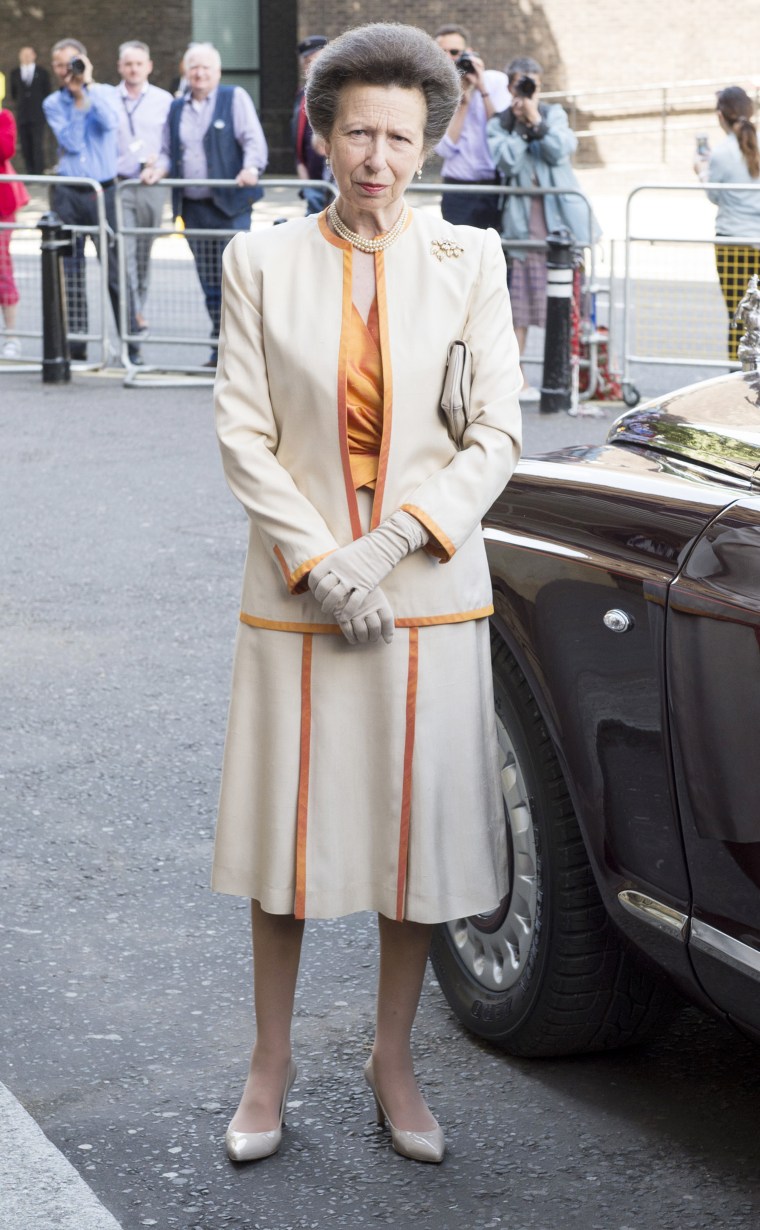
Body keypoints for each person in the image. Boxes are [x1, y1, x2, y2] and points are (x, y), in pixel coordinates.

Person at [212, 22, 522, 1166]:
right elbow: (243, 436)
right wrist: (321, 562)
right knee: (283, 850)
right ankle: (269, 1064)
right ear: (323, 133)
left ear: (429, 143)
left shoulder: (470, 262)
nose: (376, 156)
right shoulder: (260, 261)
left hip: (427, 596)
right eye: (357, 131)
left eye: (399, 136)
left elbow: (495, 432)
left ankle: (393, 1061)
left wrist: (387, 544)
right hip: (297, 599)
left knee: (414, 846)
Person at [142, 42, 268, 368]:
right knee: (209, 280)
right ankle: (219, 347)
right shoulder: (176, 107)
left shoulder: (233, 97)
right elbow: (169, 152)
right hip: (194, 208)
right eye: (194, 67)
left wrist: (251, 168)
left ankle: (244, 353)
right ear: (186, 71)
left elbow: (253, 140)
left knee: (235, 279)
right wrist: (158, 169)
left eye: (206, 68)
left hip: (230, 206)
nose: (199, 73)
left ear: (218, 72)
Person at [487, 55, 598, 398]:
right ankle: (517, 380)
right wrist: (521, 126)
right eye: (521, 84)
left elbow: (561, 150)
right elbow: (507, 160)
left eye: (532, 85)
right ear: (509, 88)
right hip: (522, 228)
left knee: (566, 306)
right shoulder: (500, 123)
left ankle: (564, 377)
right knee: (519, 308)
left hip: (561, 225)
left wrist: (537, 121)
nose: (527, 91)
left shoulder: (554, 115)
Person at [43, 38, 141, 364]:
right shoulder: (52, 103)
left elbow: (111, 124)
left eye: (71, 63)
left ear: (83, 62)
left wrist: (86, 89)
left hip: (103, 191)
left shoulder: (106, 93)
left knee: (115, 271)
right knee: (70, 270)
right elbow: (70, 142)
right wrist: (76, 99)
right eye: (59, 64)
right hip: (68, 192)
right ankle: (76, 343)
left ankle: (131, 344)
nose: (64, 70)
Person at [695, 86, 760, 364]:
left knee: (738, 315)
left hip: (732, 244)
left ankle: (739, 382)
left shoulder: (721, 153)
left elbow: (714, 195)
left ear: (720, 116)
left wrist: (701, 173)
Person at [115, 41, 172, 333]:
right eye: (128, 64)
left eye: (139, 63)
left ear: (148, 66)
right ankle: (134, 315)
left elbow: (171, 146)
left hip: (152, 186)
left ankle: (138, 307)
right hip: (121, 186)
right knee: (125, 252)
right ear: (120, 67)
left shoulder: (165, 101)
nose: (133, 69)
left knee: (143, 253)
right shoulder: (110, 99)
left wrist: (160, 166)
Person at [432, 23, 509, 230]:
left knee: (496, 253)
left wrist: (481, 88)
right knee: (457, 254)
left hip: (494, 185)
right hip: (458, 186)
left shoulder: (495, 81)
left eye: (455, 52)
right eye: (442, 53)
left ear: (470, 53)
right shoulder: (435, 93)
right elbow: (444, 148)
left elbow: (503, 130)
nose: (449, 59)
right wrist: (462, 101)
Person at [0, 99, 30, 357]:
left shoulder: (4, 117)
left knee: (2, 269)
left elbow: (5, 150)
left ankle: (11, 337)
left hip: (2, 205)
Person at [292, 35, 331, 215]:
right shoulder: (302, 94)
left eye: (318, 60)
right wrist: (303, 175)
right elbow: (298, 137)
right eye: (308, 62)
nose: (313, 66)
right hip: (311, 179)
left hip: (333, 178)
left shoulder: (337, 91)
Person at [10, 46, 51, 175]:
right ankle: (30, 171)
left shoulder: (42, 72)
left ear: (34, 55)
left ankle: (39, 172)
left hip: (37, 115)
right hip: (23, 115)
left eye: (29, 54)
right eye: (23, 54)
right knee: (25, 144)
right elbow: (14, 94)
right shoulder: (15, 73)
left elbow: (46, 92)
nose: (26, 57)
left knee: (37, 144)